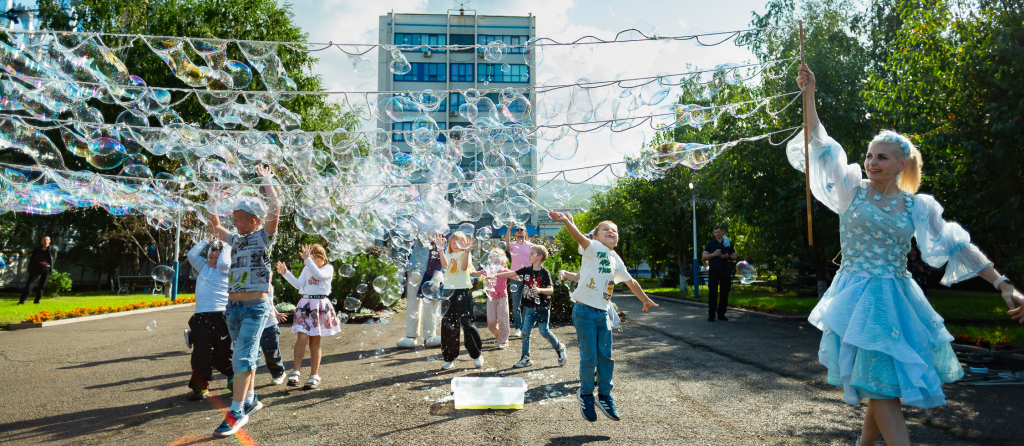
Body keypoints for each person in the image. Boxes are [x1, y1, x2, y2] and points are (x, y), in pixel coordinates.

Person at [793, 64, 1024, 446]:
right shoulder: (851, 189)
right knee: (882, 387)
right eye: (869, 155)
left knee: (884, 387)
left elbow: (957, 244)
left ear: (903, 165)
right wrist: (810, 94)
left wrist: (1002, 283)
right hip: (857, 298)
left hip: (897, 299)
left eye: (882, 157)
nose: (871, 162)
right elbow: (819, 140)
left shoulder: (916, 206)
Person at [549, 211, 658, 422]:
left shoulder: (615, 259)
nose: (611, 231)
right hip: (584, 312)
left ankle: (605, 396)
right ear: (596, 236)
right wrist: (566, 222)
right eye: (605, 229)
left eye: (614, 231)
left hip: (602, 314)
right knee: (589, 358)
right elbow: (579, 236)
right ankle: (587, 394)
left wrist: (644, 299)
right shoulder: (593, 247)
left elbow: (632, 283)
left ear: (617, 240)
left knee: (606, 358)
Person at [204, 165, 280, 437]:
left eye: (237, 218)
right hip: (233, 309)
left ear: (254, 221)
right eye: (233, 218)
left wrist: (267, 181)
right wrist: (212, 198)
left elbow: (275, 210)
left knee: (242, 357)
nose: (233, 222)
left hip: (255, 308)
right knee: (243, 354)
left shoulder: (263, 238)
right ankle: (249, 399)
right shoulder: (235, 241)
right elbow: (214, 225)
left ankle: (237, 412)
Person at [488, 245, 566, 368]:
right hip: (529, 307)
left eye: (532, 254)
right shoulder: (526, 270)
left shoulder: (545, 272)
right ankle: (525, 358)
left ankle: (559, 347)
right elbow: (511, 273)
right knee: (525, 332)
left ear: (540, 257)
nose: (529, 256)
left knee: (544, 331)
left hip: (542, 307)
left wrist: (540, 290)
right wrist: (494, 275)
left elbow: (551, 290)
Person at [277, 244, 339, 390]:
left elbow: (319, 275)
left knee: (314, 342)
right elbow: (299, 284)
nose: (305, 261)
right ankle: (296, 371)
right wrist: (286, 273)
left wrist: (308, 261)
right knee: (302, 338)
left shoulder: (328, 268)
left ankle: (314, 375)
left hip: (319, 305)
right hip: (305, 305)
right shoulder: (307, 268)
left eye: (309, 257)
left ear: (320, 258)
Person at [184, 238, 235, 401]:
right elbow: (191, 255)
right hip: (201, 316)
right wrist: (206, 241)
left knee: (222, 352)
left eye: (216, 257)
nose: (213, 260)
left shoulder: (226, 268)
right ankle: (200, 386)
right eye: (210, 257)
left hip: (221, 316)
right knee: (201, 352)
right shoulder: (203, 266)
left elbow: (224, 263)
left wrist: (226, 242)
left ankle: (234, 377)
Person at [433, 231, 483, 370]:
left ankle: (476, 355)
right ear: (449, 244)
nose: (456, 245)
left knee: (468, 324)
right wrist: (440, 250)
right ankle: (449, 358)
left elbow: (463, 267)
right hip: (449, 293)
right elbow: (445, 266)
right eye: (453, 243)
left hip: (463, 291)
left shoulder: (465, 255)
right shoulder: (447, 254)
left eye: (459, 242)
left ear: (465, 243)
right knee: (448, 325)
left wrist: (466, 252)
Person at [397, 240, 443, 349]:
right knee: (412, 305)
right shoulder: (411, 238)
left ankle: (430, 335)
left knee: (430, 306)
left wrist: (437, 276)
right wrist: (401, 272)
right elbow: (405, 255)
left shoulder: (437, 238)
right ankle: (411, 335)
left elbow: (441, 257)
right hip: (411, 274)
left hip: (429, 277)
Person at [470, 249, 512, 349]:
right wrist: (467, 269)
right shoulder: (488, 270)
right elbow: (476, 273)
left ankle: (503, 341)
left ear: (503, 260)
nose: (496, 259)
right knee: (491, 322)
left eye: (498, 257)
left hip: (502, 298)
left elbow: (515, 275)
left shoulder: (504, 270)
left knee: (503, 321)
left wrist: (523, 274)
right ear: (490, 259)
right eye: (494, 257)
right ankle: (498, 335)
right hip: (491, 298)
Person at [504, 223, 534, 338]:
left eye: (522, 230)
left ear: (526, 232)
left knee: (527, 304)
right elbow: (506, 246)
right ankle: (518, 327)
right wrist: (508, 229)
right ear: (515, 233)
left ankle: (525, 327)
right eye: (517, 230)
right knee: (516, 305)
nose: (519, 231)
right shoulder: (512, 245)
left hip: (528, 278)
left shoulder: (531, 246)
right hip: (515, 277)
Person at [702, 226, 737, 322]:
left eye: (719, 232)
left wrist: (728, 256)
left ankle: (721, 314)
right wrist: (713, 254)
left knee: (724, 293)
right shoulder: (711, 243)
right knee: (713, 292)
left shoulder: (728, 243)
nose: (717, 234)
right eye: (715, 232)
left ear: (723, 232)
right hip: (713, 271)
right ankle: (711, 314)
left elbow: (734, 256)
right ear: (713, 233)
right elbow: (704, 256)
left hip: (725, 271)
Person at [258, 283, 288, 385]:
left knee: (271, 352)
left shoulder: (266, 284)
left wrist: (276, 314)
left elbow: (267, 301)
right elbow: (270, 302)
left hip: (268, 325)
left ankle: (278, 373)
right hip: (256, 324)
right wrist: (276, 313)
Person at [20, 236, 57, 305]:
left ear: (50, 241)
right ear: (41, 241)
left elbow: (53, 259)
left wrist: (49, 268)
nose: (46, 241)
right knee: (29, 285)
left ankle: (37, 301)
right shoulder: (37, 249)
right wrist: (29, 271)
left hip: (46, 268)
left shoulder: (53, 249)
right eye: (44, 240)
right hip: (36, 268)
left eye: (47, 240)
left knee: (42, 285)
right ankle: (21, 301)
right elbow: (32, 260)